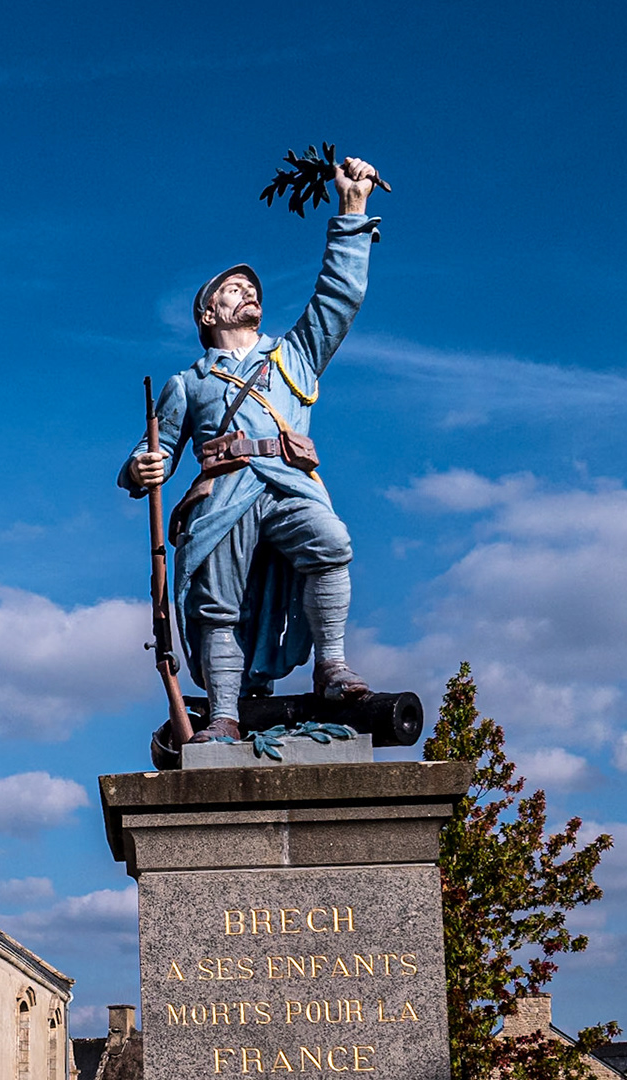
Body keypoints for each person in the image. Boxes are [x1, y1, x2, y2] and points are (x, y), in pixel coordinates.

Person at [118, 157, 383, 743]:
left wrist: (352, 210)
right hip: (222, 493)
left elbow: (339, 297)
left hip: (287, 479)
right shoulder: (187, 383)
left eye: (252, 289)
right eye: (234, 290)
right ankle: (224, 716)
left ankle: (332, 668)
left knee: (332, 542)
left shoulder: (293, 355)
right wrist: (142, 467)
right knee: (217, 604)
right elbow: (146, 457)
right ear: (208, 313)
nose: (249, 294)